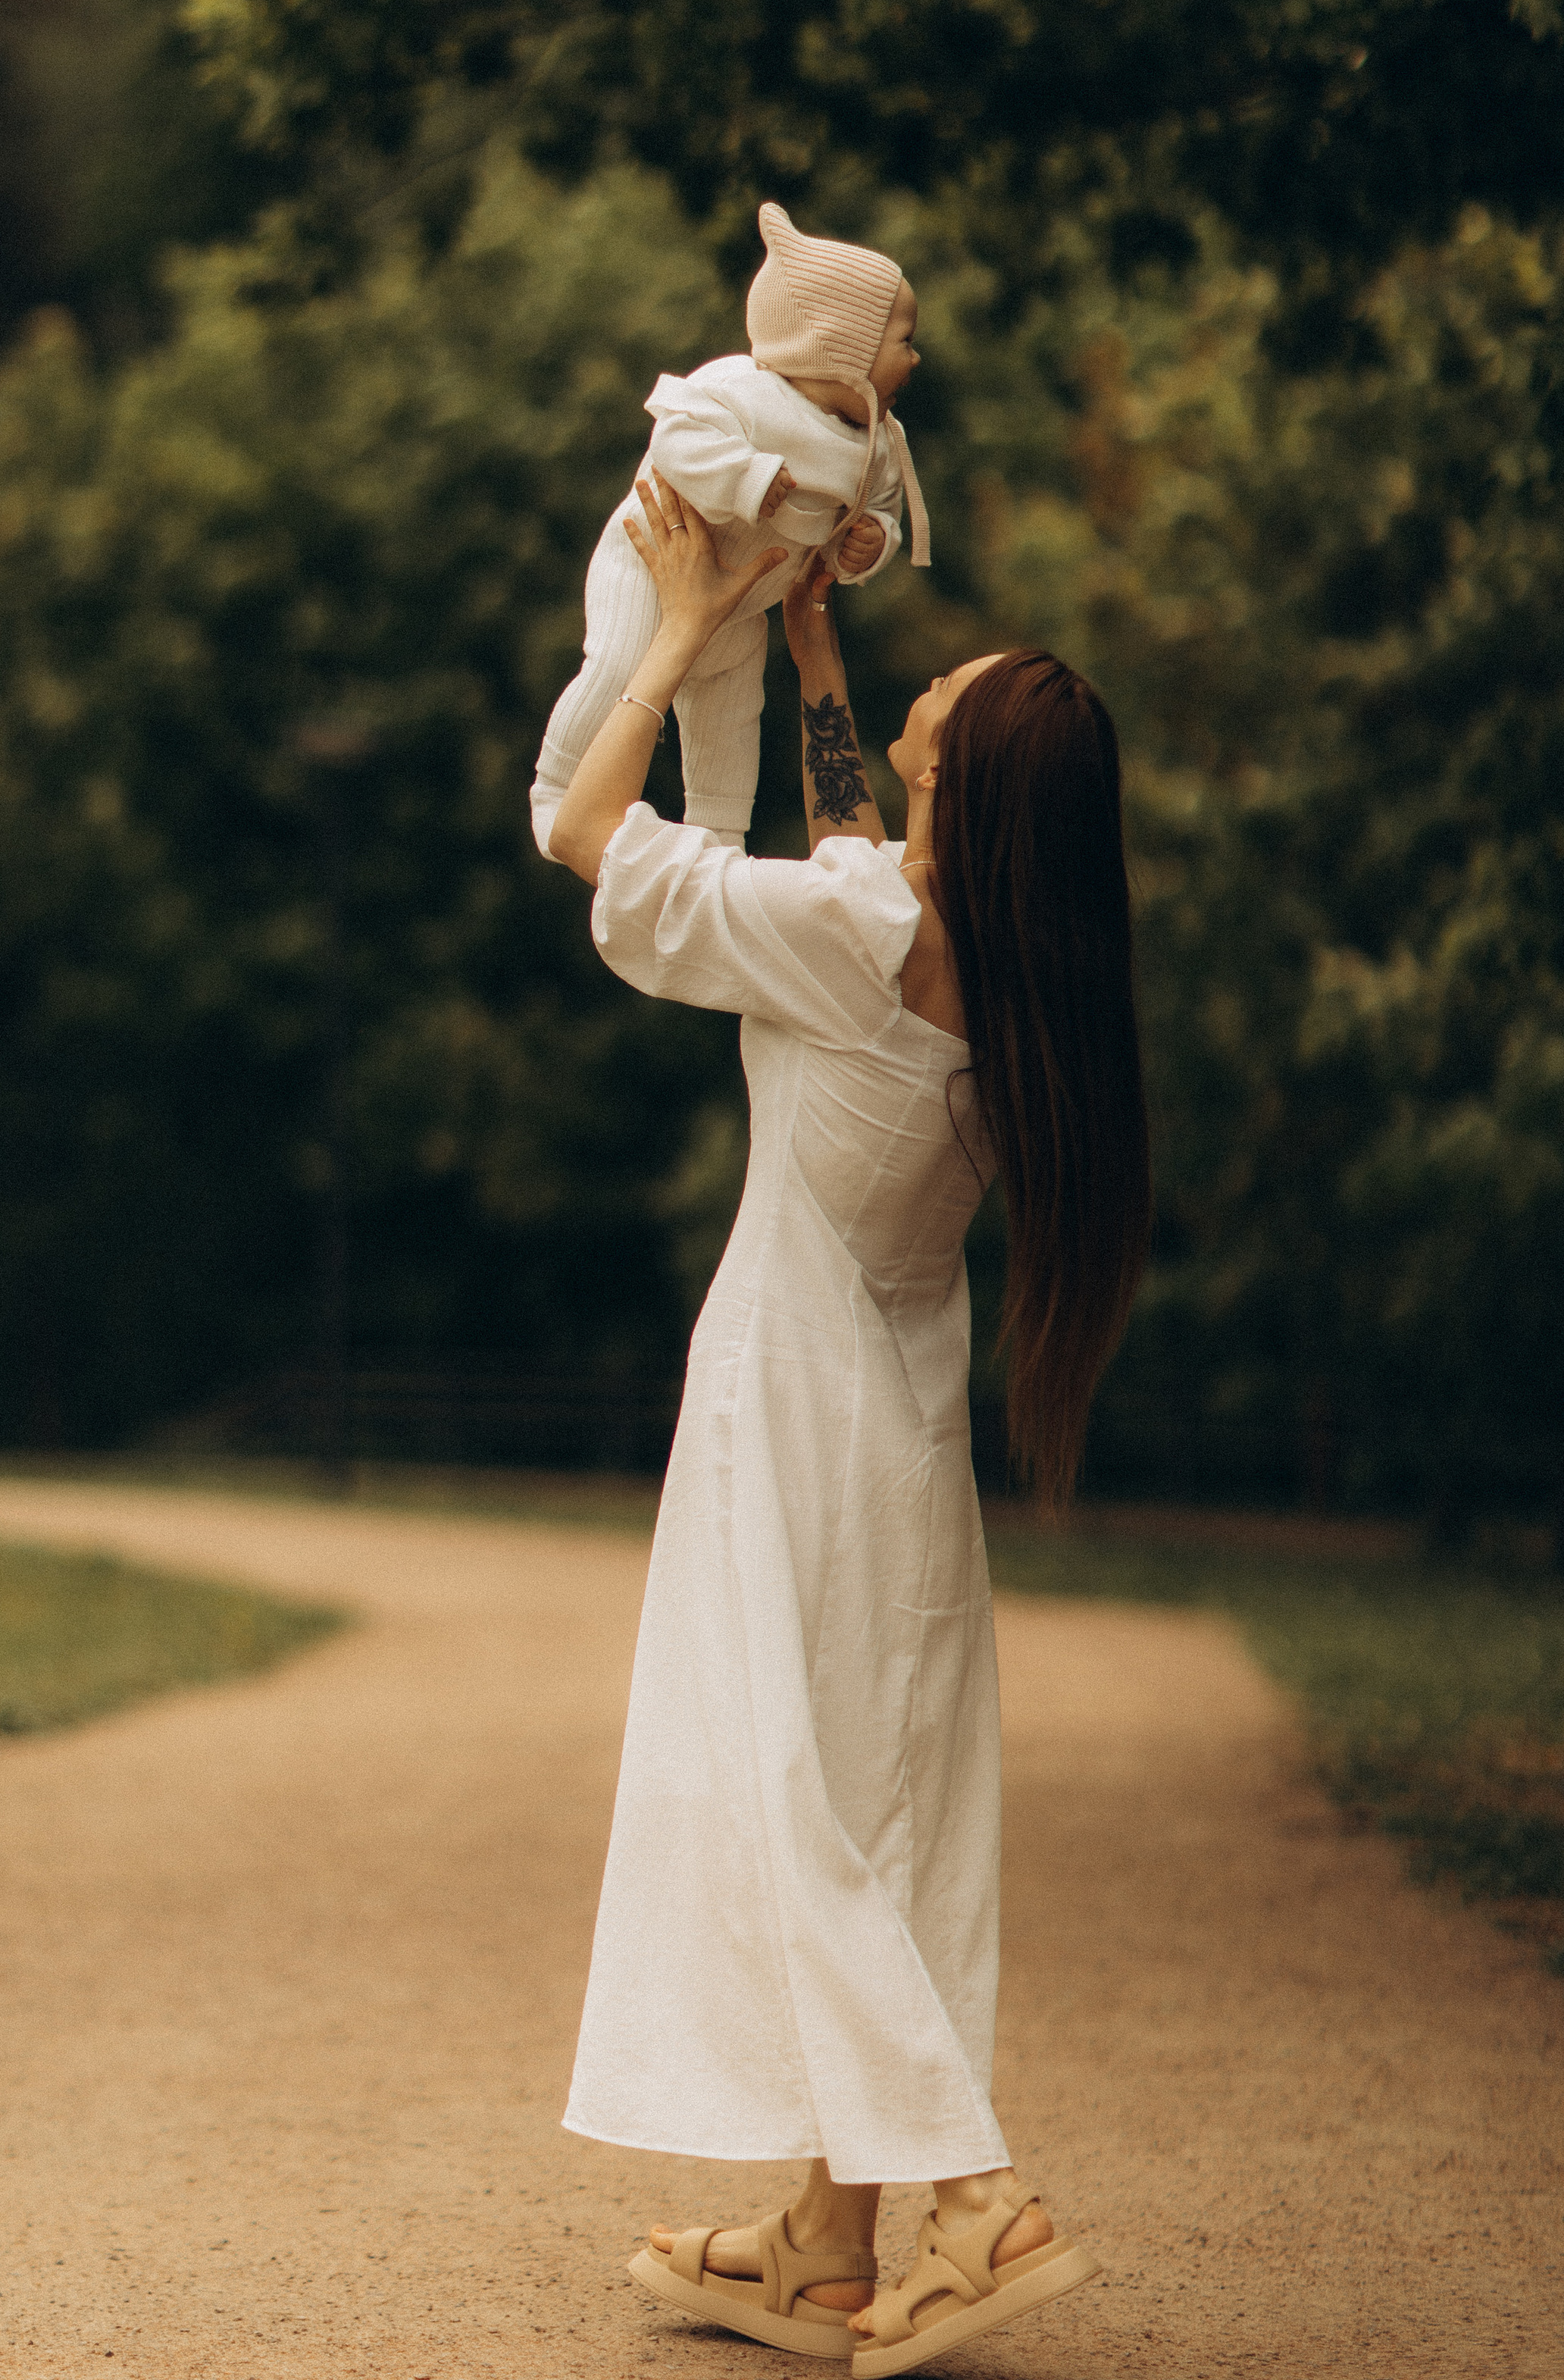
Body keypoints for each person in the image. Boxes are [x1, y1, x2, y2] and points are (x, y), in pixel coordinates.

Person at [546, 478, 1151, 2374]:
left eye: (932, 700)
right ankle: (821, 2244)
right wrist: (808, 645)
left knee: (774, 1803)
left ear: (960, 780)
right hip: (894, 1434)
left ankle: (965, 2195)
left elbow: (587, 832)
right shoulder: (1012, 970)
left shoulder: (856, 932)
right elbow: (850, 856)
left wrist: (664, 626)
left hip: (786, 1417)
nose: (918, 689)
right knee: (878, 1818)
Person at [530, 204, 929, 860]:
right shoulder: (740, 389)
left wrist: (871, 545)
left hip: (746, 601)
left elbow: (880, 510)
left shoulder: (878, 445)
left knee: (734, 714)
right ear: (841, 346)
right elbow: (674, 435)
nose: (915, 357)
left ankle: (718, 834)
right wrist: (744, 476)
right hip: (652, 564)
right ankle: (555, 788)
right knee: (617, 668)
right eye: (904, 339)